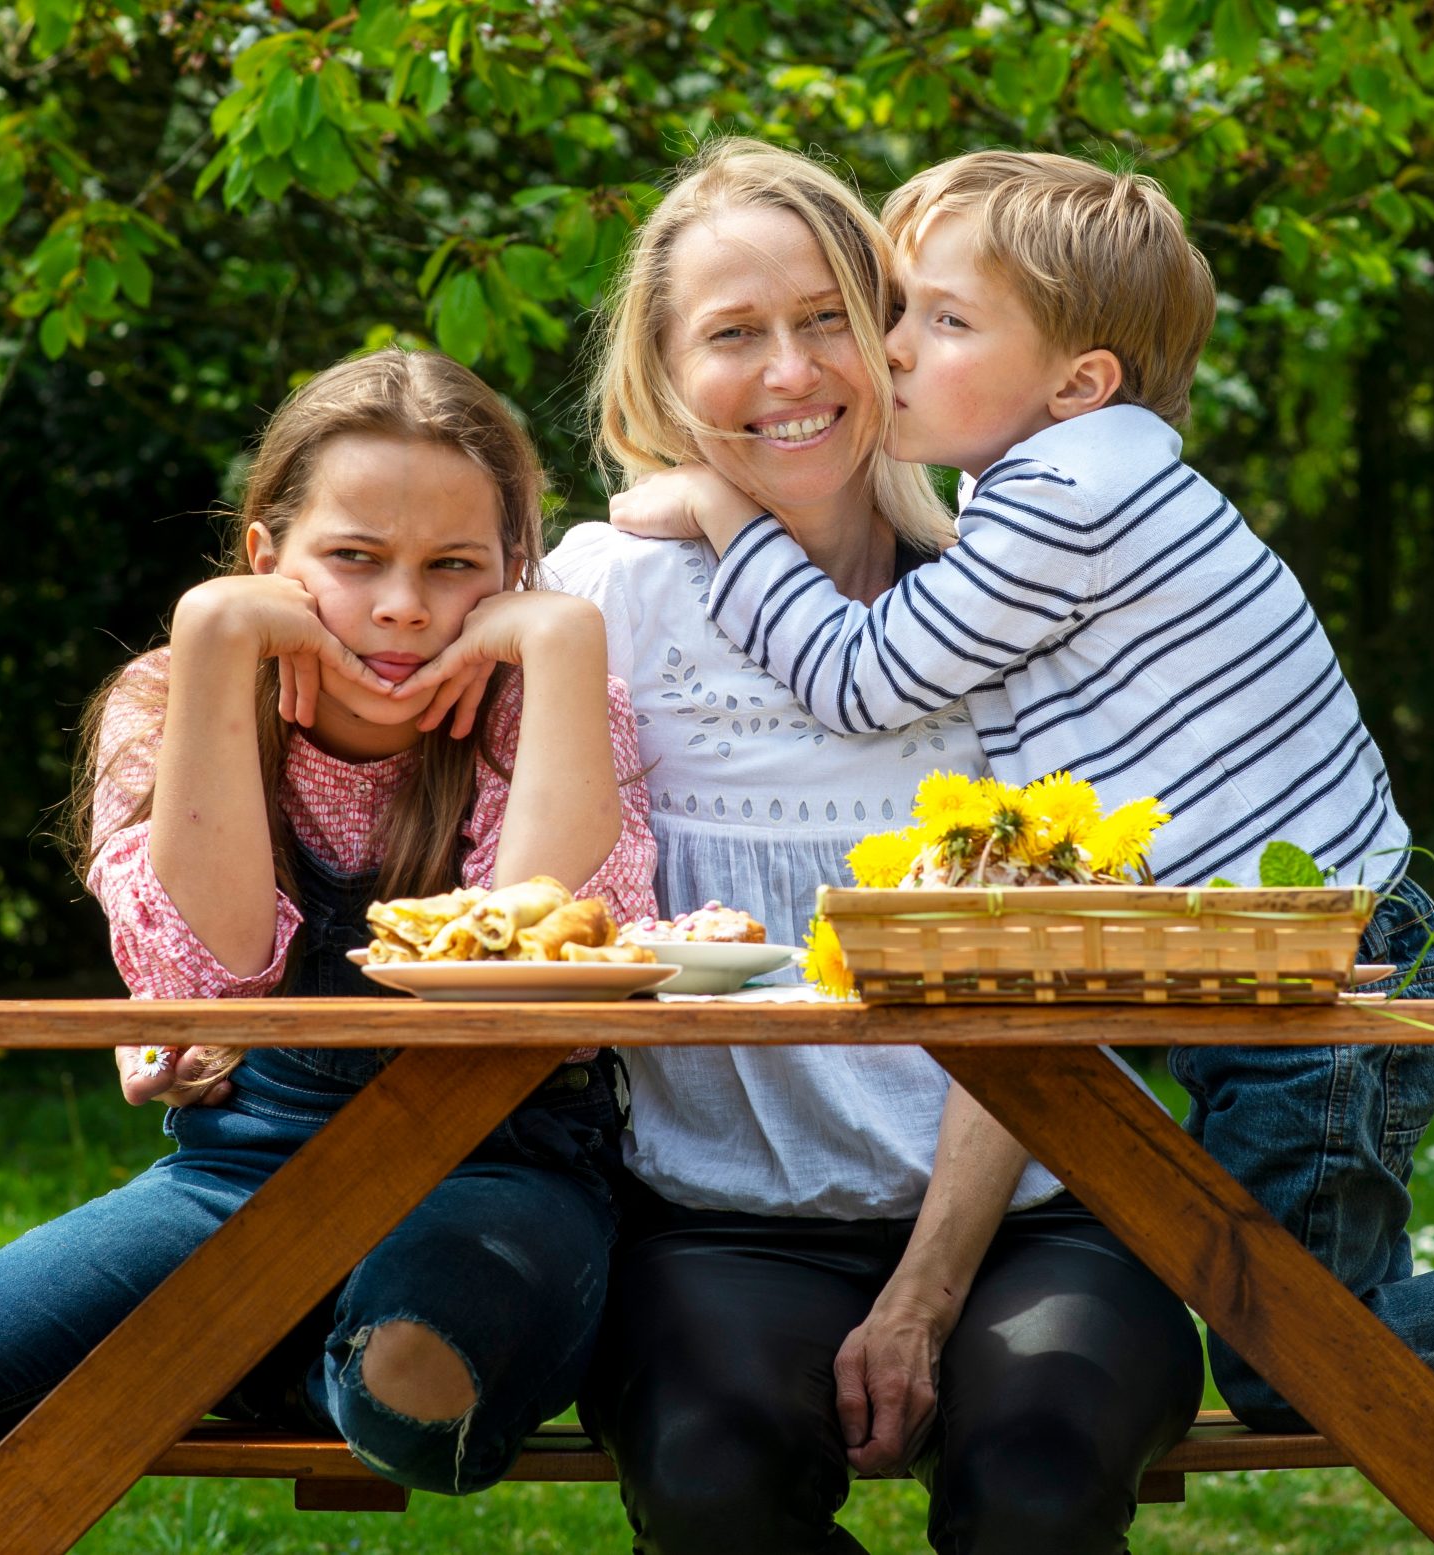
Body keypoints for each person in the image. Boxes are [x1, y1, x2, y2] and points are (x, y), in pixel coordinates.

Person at [612, 149, 1434, 1555]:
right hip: (1295, 954)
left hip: (1324, 970)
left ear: (1076, 378)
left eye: (936, 321)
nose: (888, 349)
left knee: (1289, 1349)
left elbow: (867, 675)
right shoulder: (1092, 477)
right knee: (1294, 1331)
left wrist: (720, 516)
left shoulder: (1058, 499)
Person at [0, 349, 658, 1552]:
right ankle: (270, 1334)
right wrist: (213, 637)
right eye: (353, 558)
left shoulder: (547, 700)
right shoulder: (169, 697)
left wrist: (558, 644)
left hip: (502, 1166)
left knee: (410, 1389)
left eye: (454, 568)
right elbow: (204, 985)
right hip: (240, 1175)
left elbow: (542, 974)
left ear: (513, 572)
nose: (401, 605)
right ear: (263, 558)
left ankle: (274, 1345)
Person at [541, 137, 1201, 1555]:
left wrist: (924, 1290)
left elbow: (1048, 973)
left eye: (829, 316)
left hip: (1036, 1197)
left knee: (1038, 1472)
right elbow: (392, 697)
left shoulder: (1007, 588)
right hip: (723, 1217)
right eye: (733, 334)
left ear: (891, 331)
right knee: (710, 1473)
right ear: (662, 374)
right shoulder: (602, 593)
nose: (790, 372)